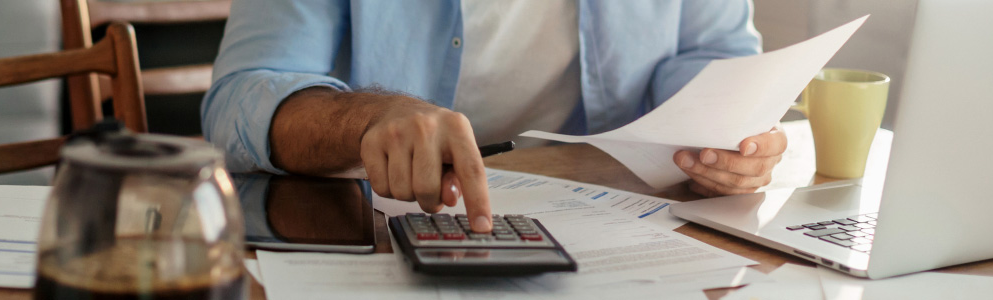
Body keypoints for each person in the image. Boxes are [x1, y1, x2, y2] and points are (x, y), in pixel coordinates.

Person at [202, 1, 788, 233]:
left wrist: (727, 127)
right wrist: (367, 118)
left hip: (617, 224)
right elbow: (241, 96)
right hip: (371, 226)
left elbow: (713, 52)